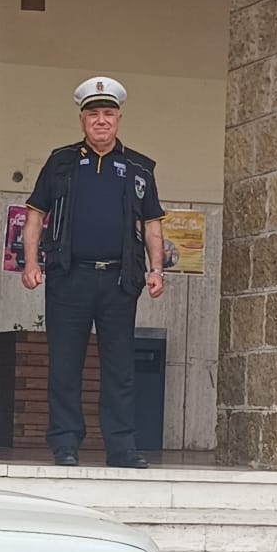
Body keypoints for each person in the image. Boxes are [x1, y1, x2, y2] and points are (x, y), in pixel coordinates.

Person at [21, 77, 165, 468]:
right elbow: (36, 216)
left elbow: (152, 223)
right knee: (64, 365)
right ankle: (65, 444)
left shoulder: (138, 167)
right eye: (93, 114)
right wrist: (31, 262)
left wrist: (156, 270)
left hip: (121, 280)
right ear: (82, 120)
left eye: (108, 114)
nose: (101, 121)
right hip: (70, 277)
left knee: (120, 368)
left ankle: (121, 447)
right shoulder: (61, 162)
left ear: (118, 119)